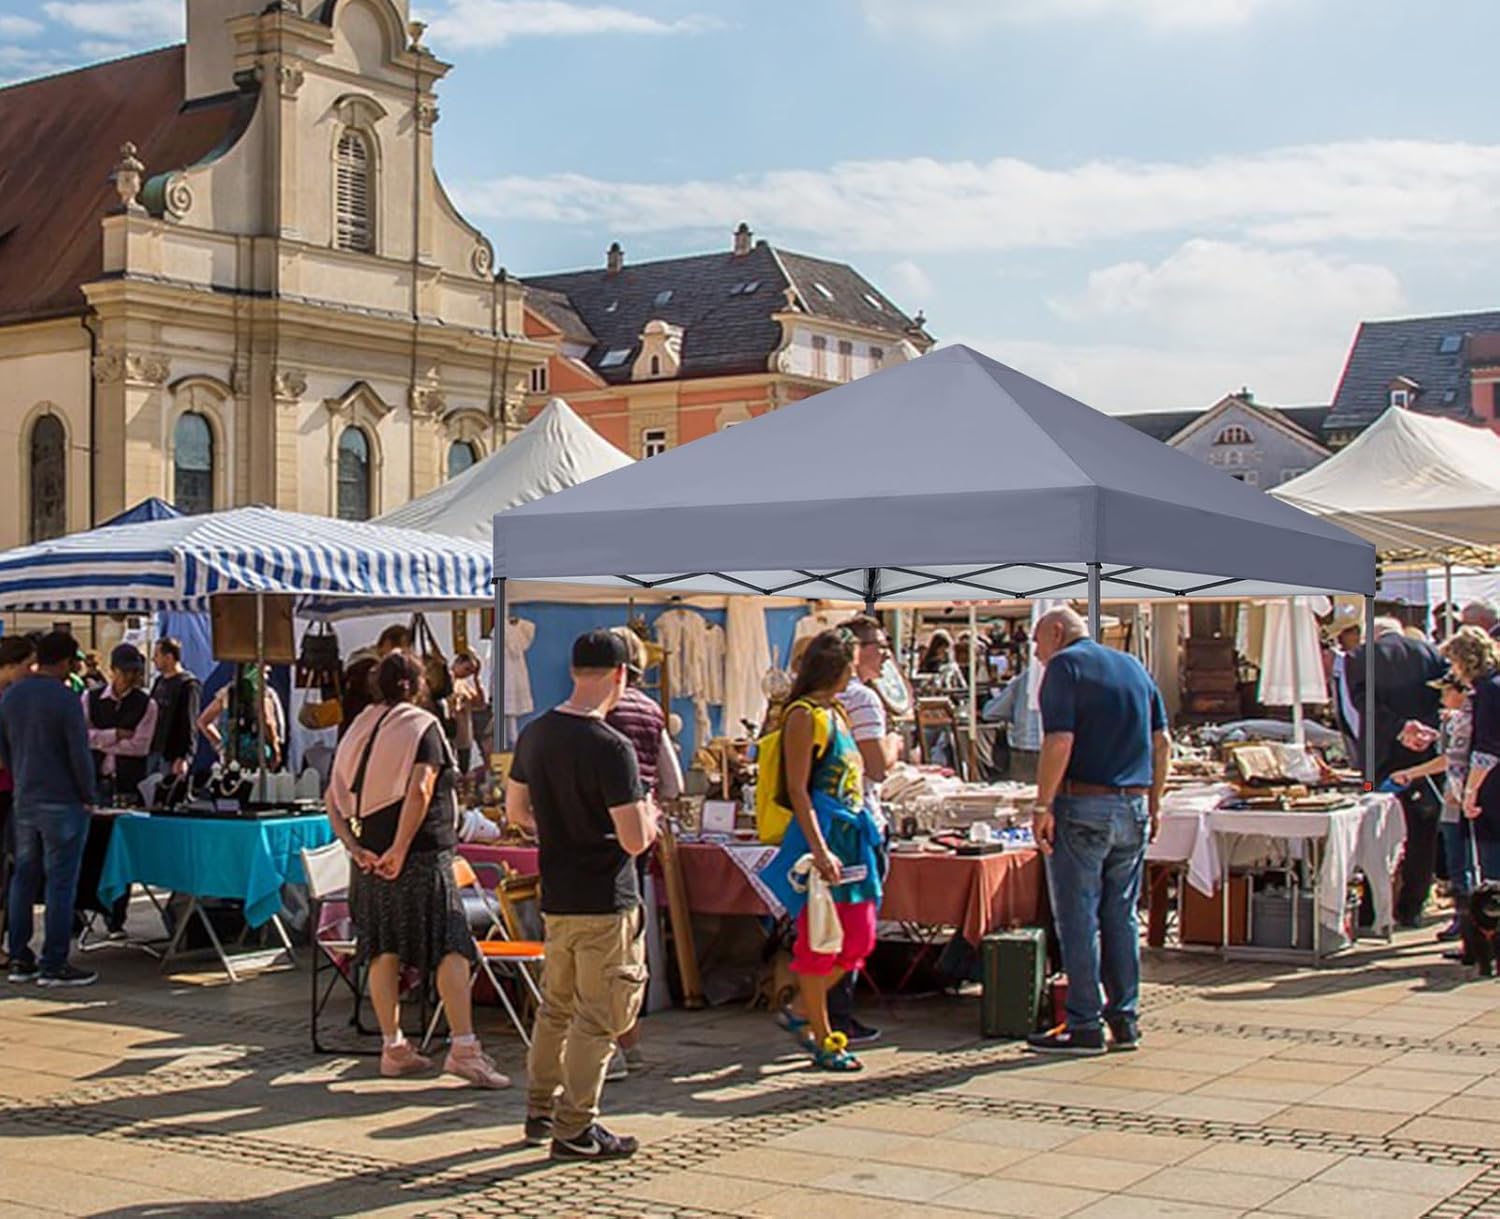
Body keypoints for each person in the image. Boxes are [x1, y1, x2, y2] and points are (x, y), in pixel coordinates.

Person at [507, 630, 658, 1161]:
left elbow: (516, 812)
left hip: (558, 894)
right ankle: (575, 1126)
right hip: (604, 896)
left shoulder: (535, 734)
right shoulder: (611, 747)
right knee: (597, 1016)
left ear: (573, 672)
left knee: (555, 1009)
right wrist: (650, 816)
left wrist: (556, 829)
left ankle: (539, 1110)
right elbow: (634, 839)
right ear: (620, 675)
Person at [325, 651, 508, 1088]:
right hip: (420, 854)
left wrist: (354, 847)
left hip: (369, 856)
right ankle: (464, 1049)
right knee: (451, 944)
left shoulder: (359, 726)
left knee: (381, 947)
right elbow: (421, 789)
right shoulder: (422, 725)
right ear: (420, 685)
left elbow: (333, 795)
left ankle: (393, 1047)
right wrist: (401, 848)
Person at [1026, 607, 1169, 1056]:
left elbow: (1059, 740)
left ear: (1056, 632)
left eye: (1036, 641)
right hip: (1133, 804)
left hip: (1084, 804)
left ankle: (1085, 1022)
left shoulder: (1064, 667)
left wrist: (1042, 804)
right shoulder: (1132, 666)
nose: (1035, 652)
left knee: (1078, 915)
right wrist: (1155, 801)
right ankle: (1124, 1019)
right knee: (1121, 915)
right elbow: (1162, 741)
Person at [764, 629, 884, 1073]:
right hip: (823, 838)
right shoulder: (803, 715)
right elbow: (798, 788)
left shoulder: (838, 712)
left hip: (852, 839)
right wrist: (818, 849)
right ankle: (823, 1035)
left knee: (859, 938)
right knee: (819, 940)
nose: (855, 671)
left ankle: (799, 1007)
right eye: (851, 662)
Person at [603, 627, 683, 1078]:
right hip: (639, 831)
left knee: (604, 942)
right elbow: (672, 783)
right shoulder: (651, 711)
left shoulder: (599, 711)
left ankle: (613, 1041)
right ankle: (628, 1035)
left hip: (599, 834)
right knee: (628, 936)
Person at [0, 631, 99, 987]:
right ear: (67, 661)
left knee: (23, 878)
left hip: (25, 798)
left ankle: (19, 956)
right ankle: (54, 962)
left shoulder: (12, 695)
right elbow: (78, 753)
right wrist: (89, 794)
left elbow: (4, 748)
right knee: (60, 882)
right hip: (62, 800)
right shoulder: (66, 698)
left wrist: (20, 774)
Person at [827, 614, 900, 1047]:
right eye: (880, 646)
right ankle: (831, 1013)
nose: (886, 655)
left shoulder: (813, 698)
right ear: (855, 650)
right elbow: (876, 766)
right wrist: (894, 744)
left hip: (826, 822)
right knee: (856, 924)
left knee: (828, 924)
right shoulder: (862, 699)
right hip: (859, 822)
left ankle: (820, 1010)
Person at [1348, 616, 1445, 926]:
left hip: (1379, 756)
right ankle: (1412, 905)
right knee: (1422, 832)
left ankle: (1371, 907)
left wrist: (1401, 728)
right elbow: (1444, 699)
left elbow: (1363, 703)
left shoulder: (1360, 656)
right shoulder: (1431, 653)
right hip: (1424, 755)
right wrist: (1423, 730)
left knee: (1372, 828)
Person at [1391, 670, 1473, 944]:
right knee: (1456, 860)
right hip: (1453, 797)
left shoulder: (1468, 719)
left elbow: (1451, 759)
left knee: (1461, 862)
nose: (1441, 698)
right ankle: (1463, 919)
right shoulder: (1456, 720)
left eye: (1446, 692)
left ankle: (1465, 920)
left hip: (1461, 798)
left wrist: (1410, 773)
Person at [0, 635, 38, 958]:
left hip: (12, 788)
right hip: (5, 788)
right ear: (10, 665)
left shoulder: (12, 696)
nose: (31, 671)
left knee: (9, 868)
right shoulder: (7, 699)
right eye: (28, 665)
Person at [84, 644, 158, 807]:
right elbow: (82, 737)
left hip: (129, 783)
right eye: (125, 671)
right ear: (113, 670)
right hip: (95, 780)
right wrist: (115, 734)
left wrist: (100, 742)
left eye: (135, 671)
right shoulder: (90, 698)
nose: (130, 676)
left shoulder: (147, 704)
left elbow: (140, 747)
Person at [198, 664, 285, 771]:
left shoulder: (228, 692)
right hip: (257, 756)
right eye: (264, 672)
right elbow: (267, 722)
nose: (267, 677)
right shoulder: (262, 694)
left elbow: (203, 721)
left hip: (231, 756)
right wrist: (275, 748)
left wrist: (221, 746)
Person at [148, 638, 201, 780]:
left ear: (169, 657)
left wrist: (184, 756)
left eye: (157, 655)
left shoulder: (188, 685)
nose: (153, 659)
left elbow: (189, 722)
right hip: (154, 750)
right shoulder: (159, 682)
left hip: (171, 754)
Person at [981, 664, 1043, 782]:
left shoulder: (1025, 678)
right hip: (1060, 749)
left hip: (1025, 750)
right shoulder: (1069, 675)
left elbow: (990, 712)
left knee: (1024, 791)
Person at [449, 649, 486, 776]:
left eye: (470, 672)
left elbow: (480, 703)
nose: (467, 674)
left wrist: (476, 679)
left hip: (464, 736)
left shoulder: (464, 684)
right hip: (450, 733)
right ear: (458, 663)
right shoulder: (445, 682)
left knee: (463, 770)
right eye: (467, 669)